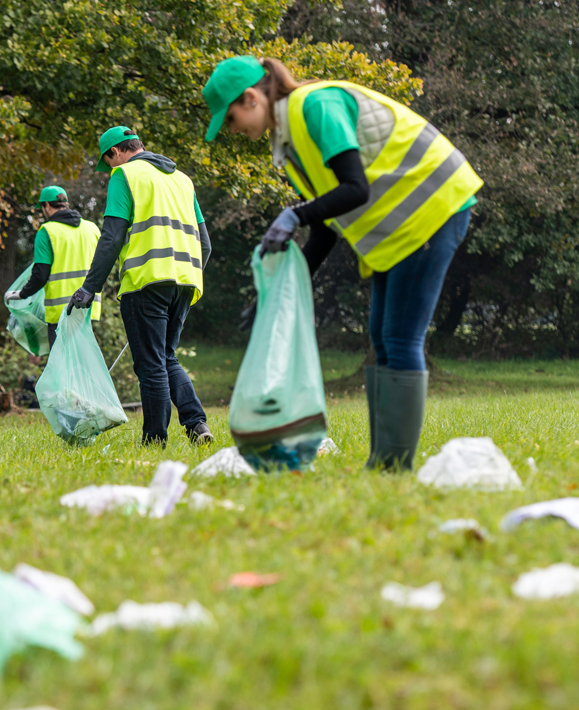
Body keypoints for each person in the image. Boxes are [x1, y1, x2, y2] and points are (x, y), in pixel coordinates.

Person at [201, 56, 482, 470]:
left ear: (251, 98)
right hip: (402, 227)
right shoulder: (291, 144)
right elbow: (325, 232)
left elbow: (355, 188)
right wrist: (272, 295)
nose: (233, 130)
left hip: (432, 208)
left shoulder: (316, 106)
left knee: (400, 339)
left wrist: (295, 214)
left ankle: (392, 467)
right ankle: (384, 462)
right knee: (382, 337)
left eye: (230, 119)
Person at [66, 126, 214, 447]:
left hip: (146, 282)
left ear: (115, 152)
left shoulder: (125, 175)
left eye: (109, 162)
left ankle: (155, 440)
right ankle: (196, 424)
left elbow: (112, 237)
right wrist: (188, 274)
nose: (110, 169)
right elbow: (205, 244)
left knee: (151, 364)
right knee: (166, 358)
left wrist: (90, 288)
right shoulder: (182, 180)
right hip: (185, 282)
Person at [5, 186, 102, 349]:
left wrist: (22, 294)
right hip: (88, 311)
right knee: (83, 362)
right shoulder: (92, 229)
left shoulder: (47, 232)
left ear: (47, 205)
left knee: (61, 363)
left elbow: (40, 275)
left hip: (61, 314)